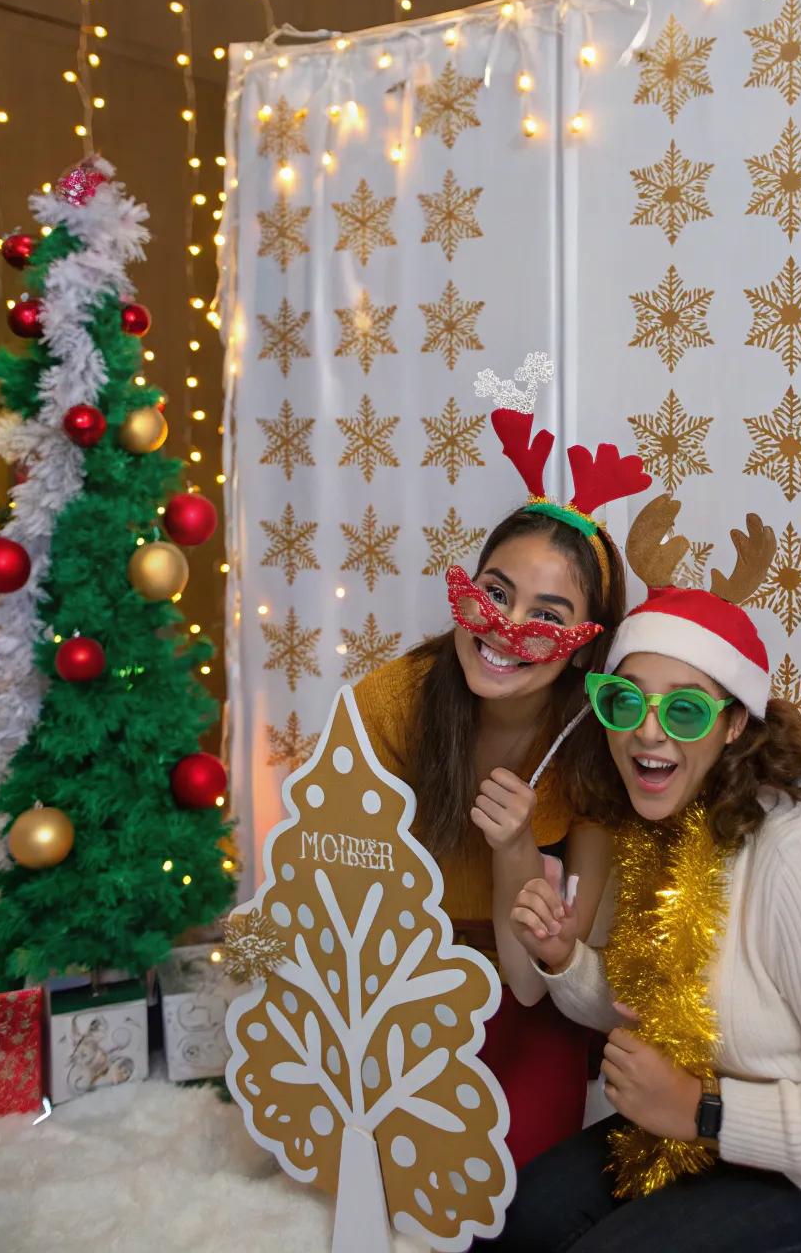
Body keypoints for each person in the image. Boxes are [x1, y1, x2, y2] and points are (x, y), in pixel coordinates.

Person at [498, 496, 801, 1251]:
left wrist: (702, 1112)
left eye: (684, 711)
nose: (646, 732)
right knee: (516, 1219)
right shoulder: (655, 827)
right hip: (717, 1130)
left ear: (733, 725)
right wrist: (565, 960)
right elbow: (653, 1013)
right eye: (625, 702)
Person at [354, 380, 651, 1168]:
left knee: (515, 1178)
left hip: (527, 991)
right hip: (398, 970)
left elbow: (542, 977)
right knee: (376, 1161)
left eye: (548, 616)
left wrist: (516, 845)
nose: (508, 629)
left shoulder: (592, 751)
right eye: (494, 594)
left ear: (586, 646)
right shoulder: (392, 704)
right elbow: (346, 887)